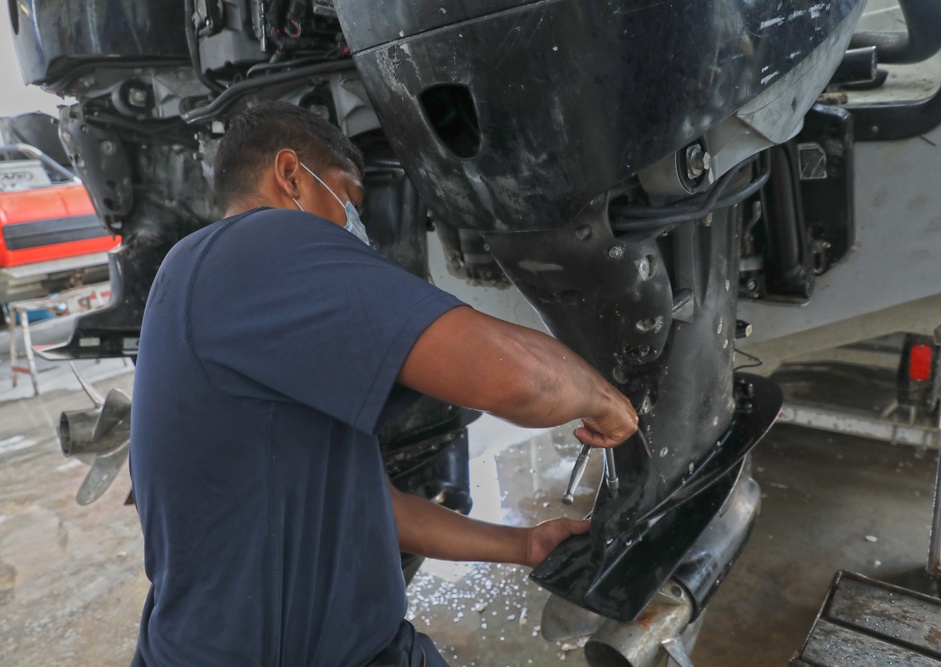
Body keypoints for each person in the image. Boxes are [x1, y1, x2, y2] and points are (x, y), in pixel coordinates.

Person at [128, 100, 638, 666]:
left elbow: (371, 507)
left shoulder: (218, 286)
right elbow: (520, 381)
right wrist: (606, 401)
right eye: (348, 199)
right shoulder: (256, 242)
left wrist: (521, 544)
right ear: (290, 175)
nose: (356, 224)